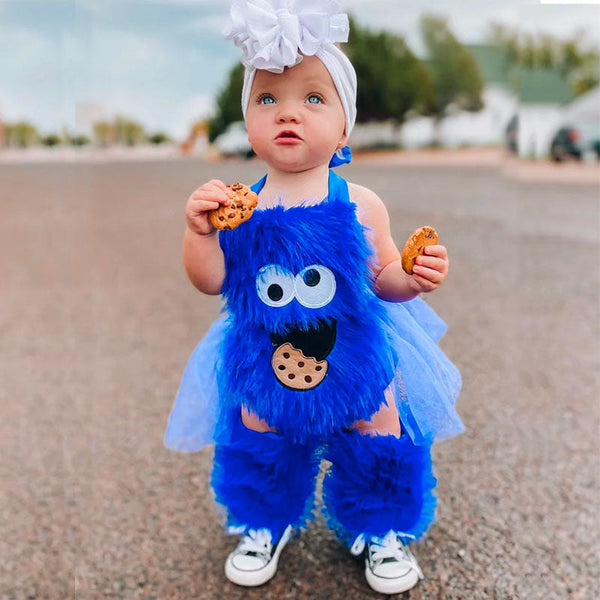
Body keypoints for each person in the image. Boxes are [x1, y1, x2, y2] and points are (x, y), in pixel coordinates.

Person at [165, 1, 464, 594]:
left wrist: (413, 273)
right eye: (268, 99)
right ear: (248, 118)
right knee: (259, 432)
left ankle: (380, 528)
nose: (288, 114)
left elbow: (382, 281)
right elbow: (212, 281)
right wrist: (198, 233)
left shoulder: (359, 202)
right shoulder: (236, 205)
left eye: (313, 98)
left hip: (352, 353)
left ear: (345, 126)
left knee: (377, 427)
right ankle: (263, 520)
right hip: (261, 352)